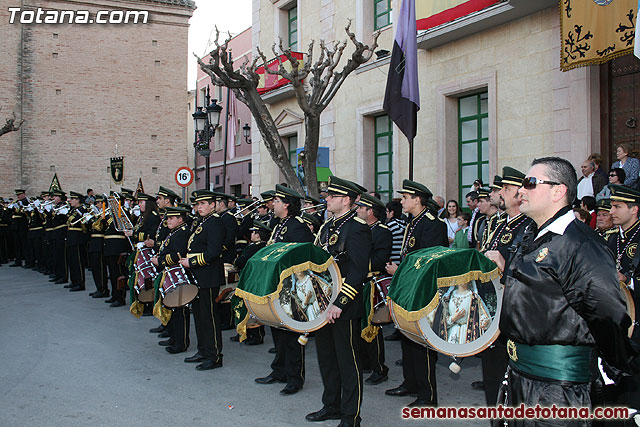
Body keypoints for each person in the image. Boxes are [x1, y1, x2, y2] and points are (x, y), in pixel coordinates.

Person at [484, 157, 638, 426]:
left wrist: (611, 370)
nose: (521, 190)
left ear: (559, 191)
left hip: (558, 389)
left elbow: (609, 315)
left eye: (530, 183)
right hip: (520, 376)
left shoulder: (580, 244)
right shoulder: (533, 235)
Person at [306, 176, 371, 427]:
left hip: (343, 305)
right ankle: (330, 405)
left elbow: (357, 272)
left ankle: (350, 415)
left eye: (332, 196)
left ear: (345, 200)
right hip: (322, 303)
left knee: (348, 362)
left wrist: (339, 303)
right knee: (327, 359)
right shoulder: (326, 227)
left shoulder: (357, 227)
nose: (327, 199)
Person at [384, 179, 448, 408]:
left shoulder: (431, 223)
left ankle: (428, 395)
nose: (402, 201)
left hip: (423, 291)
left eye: (405, 198)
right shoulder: (413, 221)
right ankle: (410, 383)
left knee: (422, 342)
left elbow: (428, 261)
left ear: (417, 200)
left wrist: (399, 270)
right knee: (407, 337)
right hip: (409, 288)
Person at [481, 166, 533, 406]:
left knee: (510, 381)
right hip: (491, 307)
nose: (500, 193)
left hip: (512, 310)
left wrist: (505, 264)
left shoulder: (529, 225)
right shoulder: (501, 223)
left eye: (506, 188)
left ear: (520, 194)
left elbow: (532, 268)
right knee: (492, 377)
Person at [255, 184, 313, 396]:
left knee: (292, 334)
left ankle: (294, 378)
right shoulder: (280, 225)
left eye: (277, 202)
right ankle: (279, 370)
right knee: (278, 331)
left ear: (287, 204)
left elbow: (302, 256)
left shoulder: (297, 226)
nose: (273, 205)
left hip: (292, 287)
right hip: (277, 287)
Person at [180, 190, 226, 371]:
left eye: (203, 204)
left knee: (210, 317)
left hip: (208, 276)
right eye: (198, 204)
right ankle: (203, 350)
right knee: (199, 316)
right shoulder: (202, 222)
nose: (199, 207)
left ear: (213, 205)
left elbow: (213, 252)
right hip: (198, 276)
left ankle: (214, 355)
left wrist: (191, 262)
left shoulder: (215, 223)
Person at [355, 192, 392, 386]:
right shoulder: (359, 228)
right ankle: (366, 363)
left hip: (371, 283)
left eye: (361, 207)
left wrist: (357, 265)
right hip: (358, 282)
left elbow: (379, 259)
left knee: (373, 327)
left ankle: (379, 367)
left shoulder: (382, 231)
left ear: (370, 211)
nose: (358, 210)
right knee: (359, 325)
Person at [151, 206, 192, 354]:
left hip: (178, 274)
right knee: (172, 308)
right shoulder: (175, 232)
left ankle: (181, 342)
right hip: (170, 273)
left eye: (171, 218)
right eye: (167, 218)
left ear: (180, 219)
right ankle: (174, 337)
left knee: (179, 309)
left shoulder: (182, 233)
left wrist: (160, 261)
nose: (167, 220)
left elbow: (178, 254)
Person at [65, 192, 88, 292]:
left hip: (77, 237)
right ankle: (74, 281)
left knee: (78, 261)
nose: (70, 201)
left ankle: (80, 283)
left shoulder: (82, 209)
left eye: (73, 199)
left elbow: (77, 222)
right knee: (72, 260)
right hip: (71, 237)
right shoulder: (73, 210)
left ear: (77, 200)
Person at [385, 200, 406, 265]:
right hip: (403, 261)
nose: (386, 213)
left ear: (392, 212)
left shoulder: (389, 225)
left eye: (387, 211)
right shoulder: (406, 224)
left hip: (392, 262)